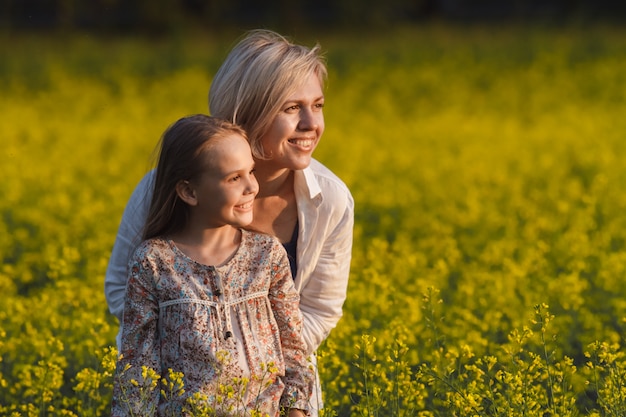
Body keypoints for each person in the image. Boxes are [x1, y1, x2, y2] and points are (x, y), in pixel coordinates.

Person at [105, 29, 354, 413]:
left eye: (317, 105)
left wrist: (254, 372)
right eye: (291, 108)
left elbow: (319, 310)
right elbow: (124, 287)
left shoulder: (330, 199)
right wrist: (193, 361)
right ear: (249, 112)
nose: (311, 123)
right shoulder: (167, 185)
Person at [111, 115, 313, 416]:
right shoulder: (153, 262)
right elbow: (137, 364)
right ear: (189, 192)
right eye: (234, 178)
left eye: (251, 172)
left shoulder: (266, 255)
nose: (251, 187)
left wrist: (296, 411)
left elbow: (293, 349)